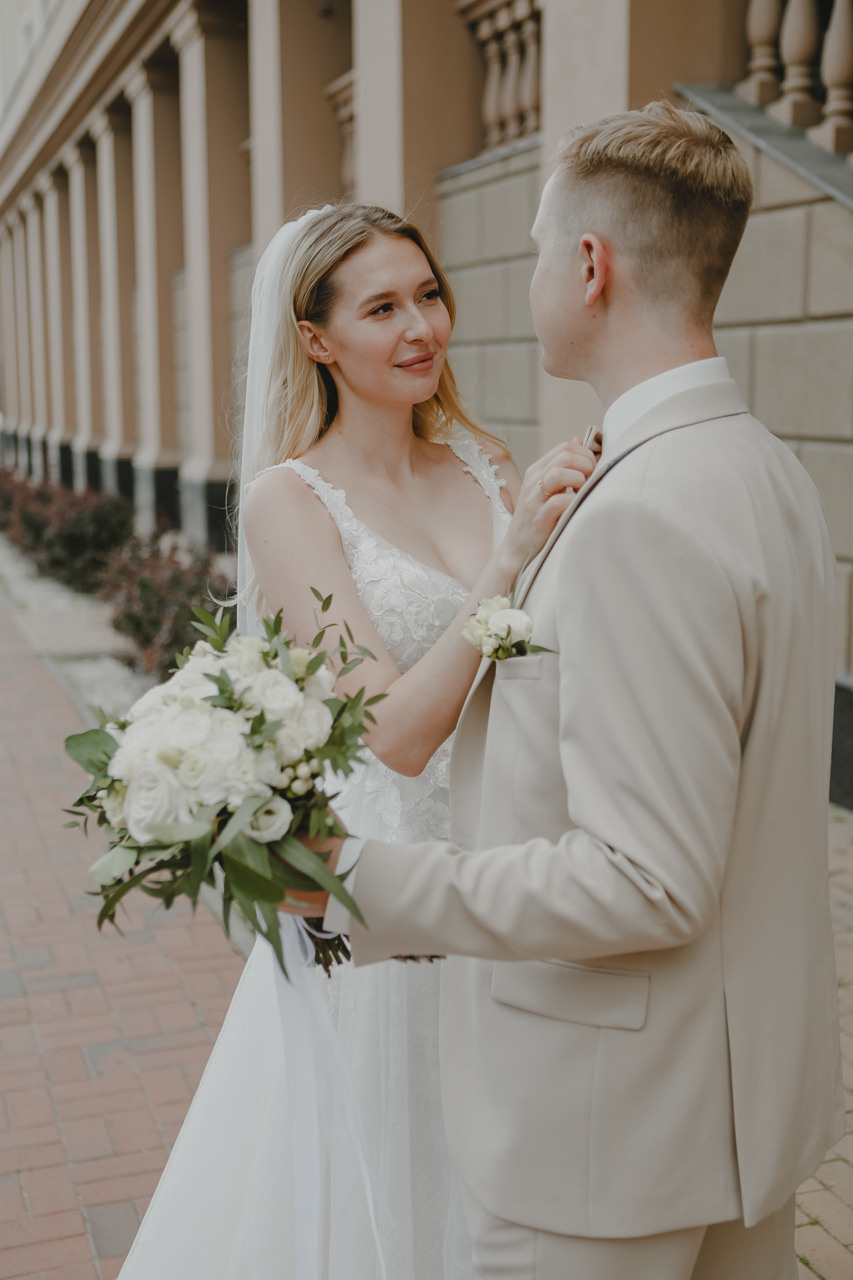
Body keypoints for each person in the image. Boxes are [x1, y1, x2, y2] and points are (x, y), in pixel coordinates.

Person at [283, 102, 845, 1280]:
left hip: (606, 1133)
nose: (439, 316)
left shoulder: (636, 509)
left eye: (536, 252)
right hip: (737, 1108)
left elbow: (647, 874)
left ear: (587, 267)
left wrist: (358, 882)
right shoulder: (769, 468)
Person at [116, 202, 596, 1280]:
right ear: (317, 337)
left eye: (427, 293)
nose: (421, 325)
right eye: (381, 306)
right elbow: (395, 734)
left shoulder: (481, 460)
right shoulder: (290, 503)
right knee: (398, 1175)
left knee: (509, 1173)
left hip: (505, 858)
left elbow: (531, 668)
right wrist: (505, 567)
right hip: (388, 892)